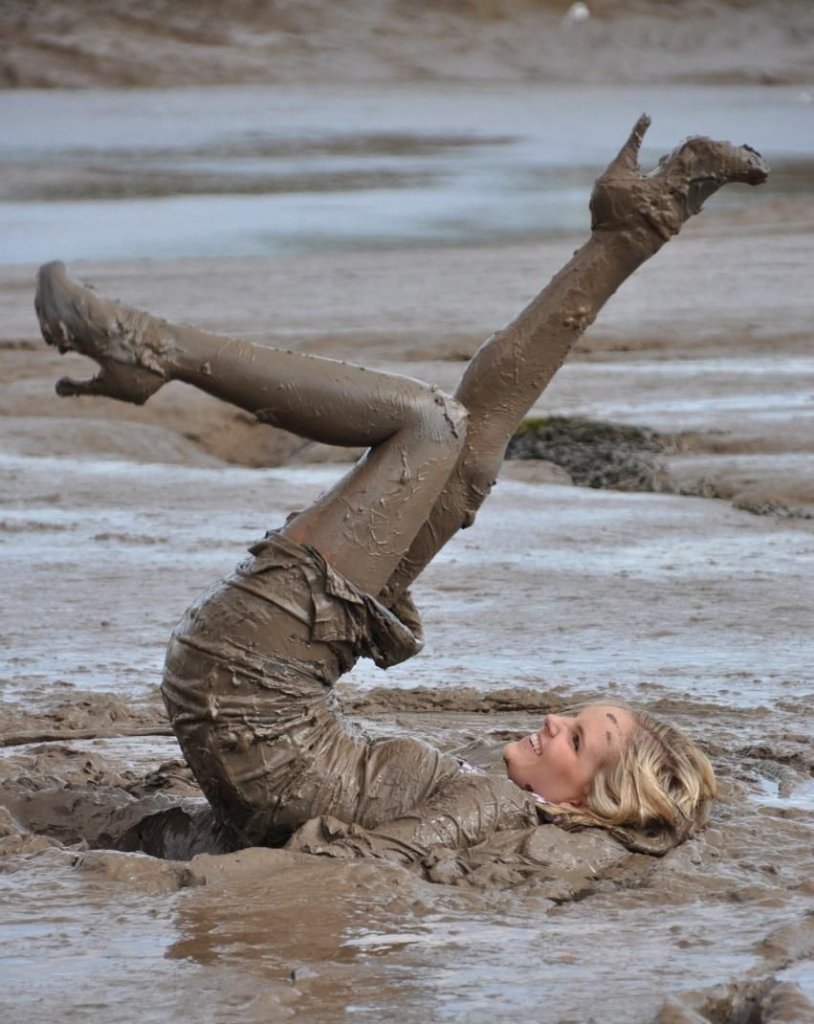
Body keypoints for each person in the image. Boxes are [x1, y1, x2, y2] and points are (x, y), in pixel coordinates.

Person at [35, 117, 766, 870]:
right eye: (574, 719)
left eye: (576, 740)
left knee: (430, 422)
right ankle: (634, 227)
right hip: (247, 696)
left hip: (253, 684)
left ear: (582, 800)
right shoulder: (500, 800)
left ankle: (153, 347)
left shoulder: (498, 805)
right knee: (470, 460)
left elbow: (373, 860)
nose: (553, 720)